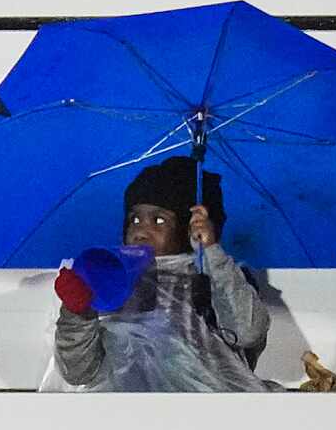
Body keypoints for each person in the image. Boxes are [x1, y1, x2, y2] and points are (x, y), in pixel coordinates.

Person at [51, 158, 279, 392]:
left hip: (206, 410)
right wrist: (78, 313)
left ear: (188, 227)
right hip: (122, 413)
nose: (140, 231)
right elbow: (77, 372)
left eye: (158, 221)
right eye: (134, 219)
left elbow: (248, 332)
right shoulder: (108, 278)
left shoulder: (213, 276)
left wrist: (211, 253)